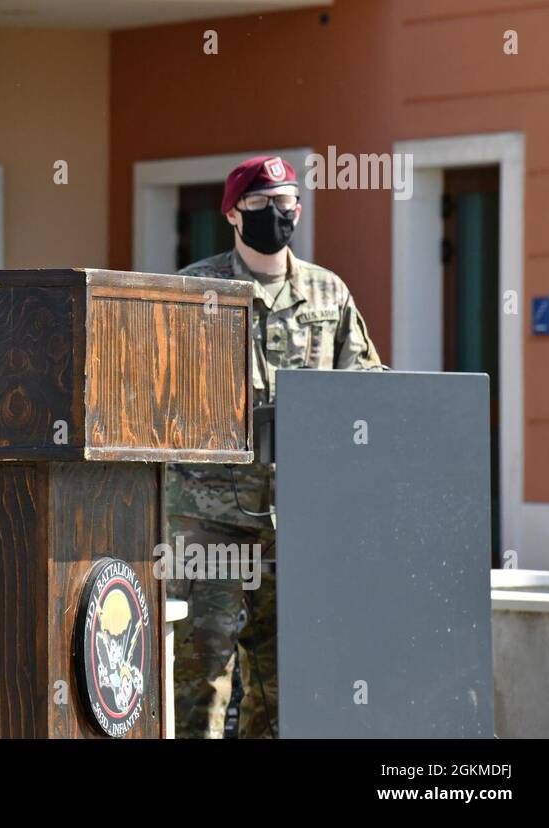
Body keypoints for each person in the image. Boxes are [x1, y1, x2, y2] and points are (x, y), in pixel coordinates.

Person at [164, 154, 384, 738]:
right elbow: (157, 391)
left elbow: (365, 388)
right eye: (260, 205)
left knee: (284, 672)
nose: (275, 214)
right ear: (233, 213)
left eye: (285, 203)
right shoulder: (195, 289)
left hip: (299, 515)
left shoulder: (327, 293)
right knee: (203, 665)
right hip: (209, 516)